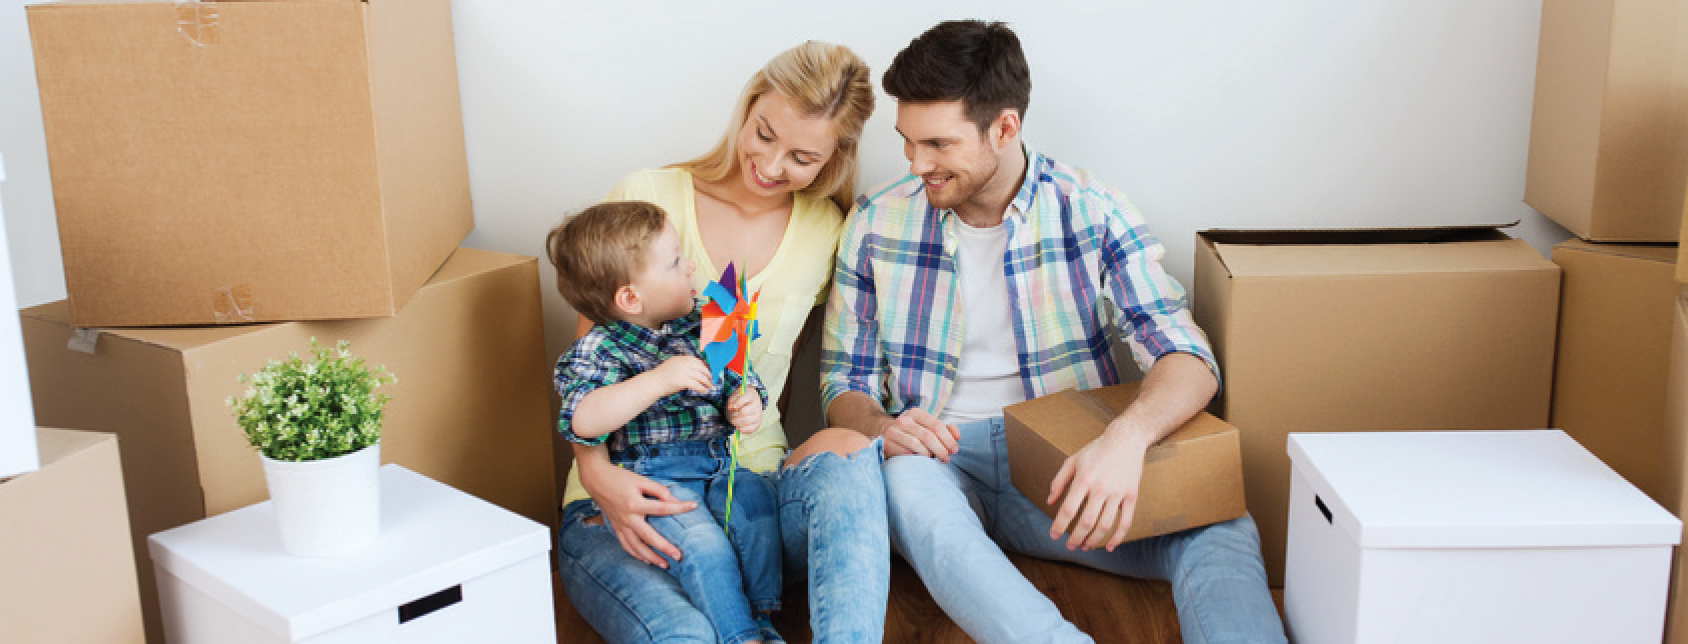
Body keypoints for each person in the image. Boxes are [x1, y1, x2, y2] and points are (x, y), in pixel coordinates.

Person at [822, 20, 1288, 644]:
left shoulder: (1092, 208)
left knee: (1223, 522)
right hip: (938, 464)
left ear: (1005, 127)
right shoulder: (877, 222)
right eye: (907, 142)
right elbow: (842, 382)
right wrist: (882, 427)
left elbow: (1186, 353)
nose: (916, 163)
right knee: (902, 482)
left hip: (1066, 465)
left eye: (938, 144)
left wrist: (1125, 441)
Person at [556, 41, 887, 643]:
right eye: (763, 133)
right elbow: (586, 372)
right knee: (692, 636)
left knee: (850, 453)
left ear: (834, 158)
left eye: (802, 156)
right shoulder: (647, 200)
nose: (771, 164)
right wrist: (600, 479)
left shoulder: (829, 229)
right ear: (749, 102)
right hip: (629, 495)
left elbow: (806, 369)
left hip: (751, 491)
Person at [548, 200, 781, 644]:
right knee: (705, 548)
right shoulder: (600, 349)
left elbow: (740, 373)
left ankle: (760, 618)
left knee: (755, 509)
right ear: (630, 297)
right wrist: (657, 381)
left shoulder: (703, 323)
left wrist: (746, 402)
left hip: (716, 466)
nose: (691, 266)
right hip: (655, 476)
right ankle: (741, 637)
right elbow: (582, 418)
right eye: (675, 263)